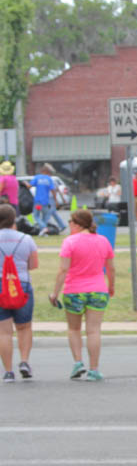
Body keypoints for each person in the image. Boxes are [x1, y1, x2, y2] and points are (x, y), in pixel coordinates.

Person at [49, 209, 114, 382]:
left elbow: (63, 269)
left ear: (77, 224)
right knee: (94, 331)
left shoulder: (69, 242)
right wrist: (111, 286)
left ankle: (78, 362)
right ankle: (94, 369)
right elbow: (111, 267)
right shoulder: (103, 241)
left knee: (74, 329)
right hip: (98, 289)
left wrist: (55, 292)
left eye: (70, 222)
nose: (69, 224)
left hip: (74, 290)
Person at [0, 204, 38, 382]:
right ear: (13, 219)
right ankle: (24, 361)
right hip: (21, 285)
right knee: (24, 327)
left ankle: (8, 372)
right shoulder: (26, 239)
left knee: (4, 332)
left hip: (1, 286)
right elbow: (33, 265)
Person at [30, 164, 67, 234]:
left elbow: (30, 185)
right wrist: (57, 200)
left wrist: (25, 184)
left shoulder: (37, 178)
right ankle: (44, 230)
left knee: (36, 216)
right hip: (46, 202)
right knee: (46, 216)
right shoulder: (49, 179)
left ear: (42, 170)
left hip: (38, 202)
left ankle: (44, 228)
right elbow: (54, 190)